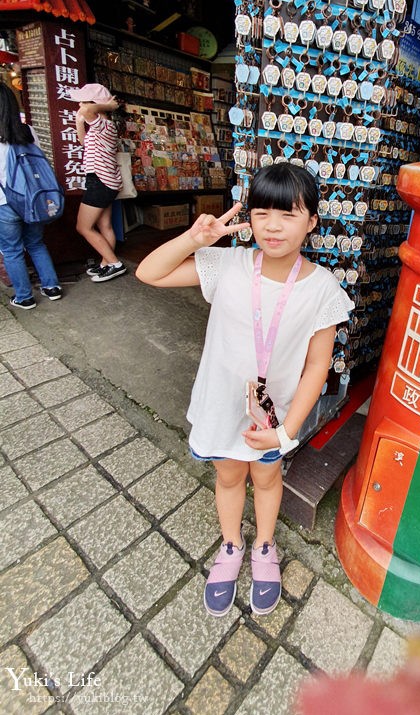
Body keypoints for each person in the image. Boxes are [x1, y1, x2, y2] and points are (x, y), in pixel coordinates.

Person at [136, 164, 353, 617]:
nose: (272, 226)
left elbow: (317, 367)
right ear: (249, 218)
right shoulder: (229, 264)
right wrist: (194, 240)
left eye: (288, 214)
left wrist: (286, 432)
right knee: (229, 476)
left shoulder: (323, 289)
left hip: (272, 420)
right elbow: (149, 274)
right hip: (220, 405)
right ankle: (232, 546)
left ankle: (265, 547)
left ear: (312, 221)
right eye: (261, 212)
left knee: (268, 477)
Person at [0, 83, 62, 308]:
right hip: (33, 200)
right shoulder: (27, 131)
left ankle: (24, 297)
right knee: (36, 243)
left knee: (12, 250)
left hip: (4, 204)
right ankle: (51, 286)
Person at [66, 83, 126, 282]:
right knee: (105, 225)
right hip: (105, 181)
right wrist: (78, 121)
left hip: (100, 182)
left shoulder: (104, 124)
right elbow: (84, 142)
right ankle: (105, 264)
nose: (80, 105)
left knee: (83, 227)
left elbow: (87, 110)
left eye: (85, 100)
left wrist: (109, 106)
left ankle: (115, 263)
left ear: (96, 104)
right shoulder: (99, 127)